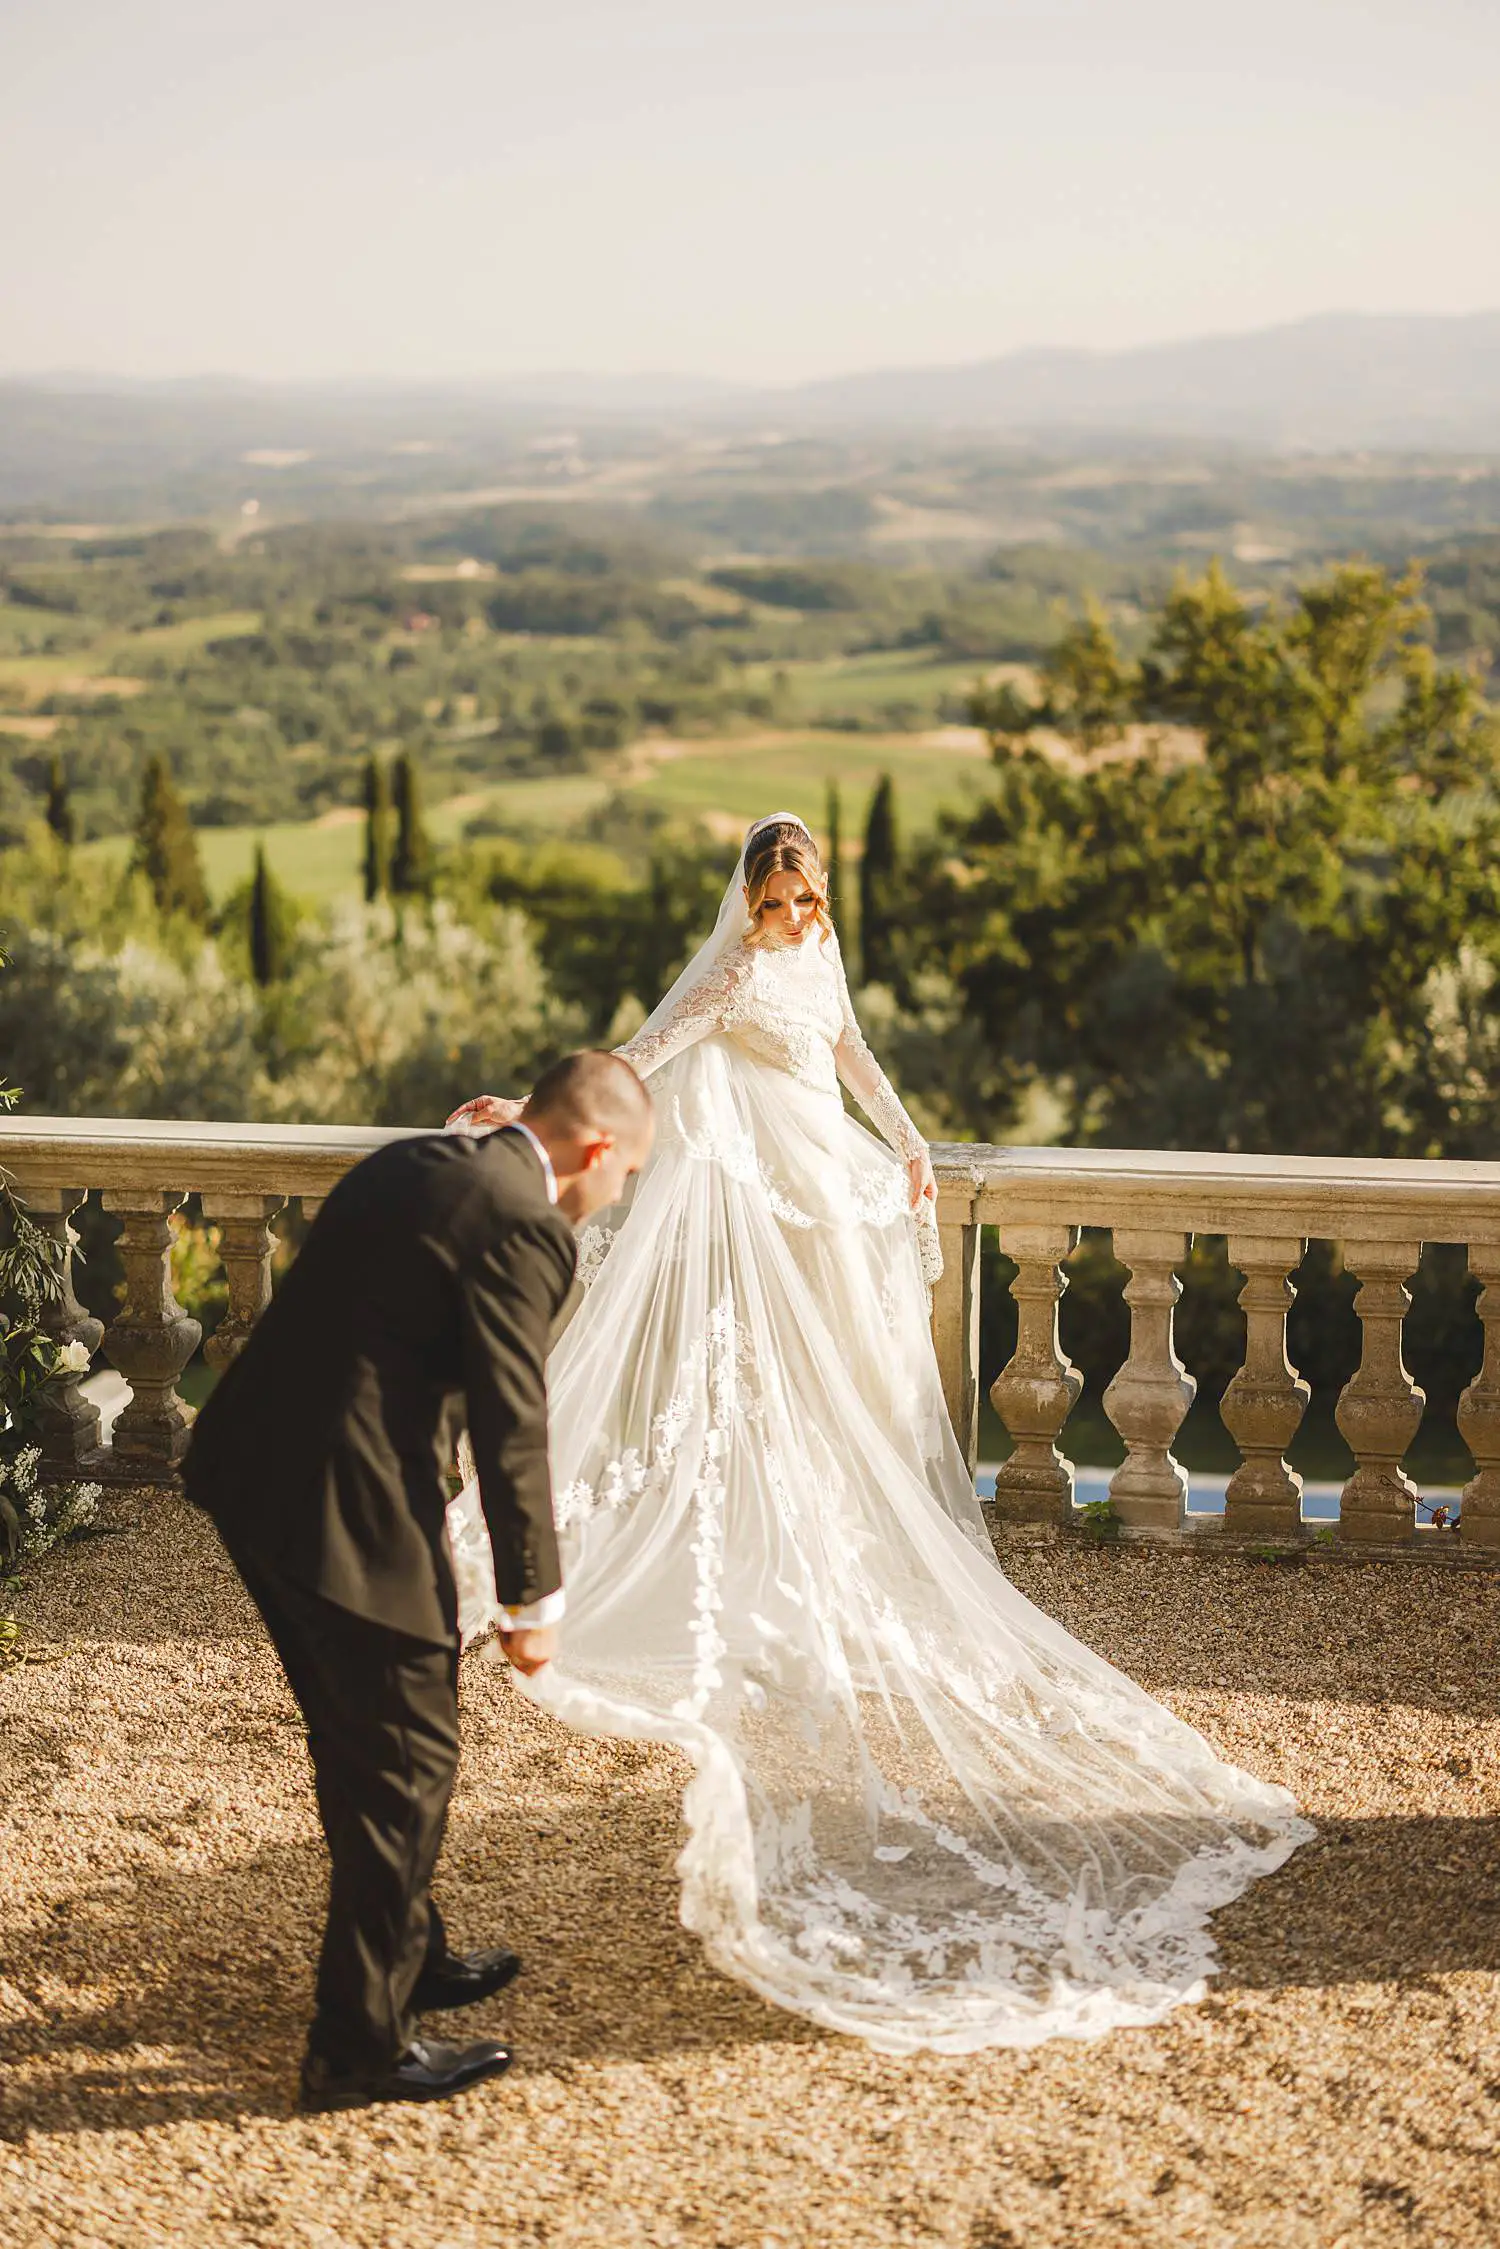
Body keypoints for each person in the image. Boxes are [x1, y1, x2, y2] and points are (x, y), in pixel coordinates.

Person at [446, 812, 1311, 2054]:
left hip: (829, 1184)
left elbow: (849, 1048)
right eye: (776, 905)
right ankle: (761, 1573)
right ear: (747, 900)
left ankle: (815, 1564)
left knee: (849, 1399)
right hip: (768, 1209)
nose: (792, 922)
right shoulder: (735, 963)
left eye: (805, 903)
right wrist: (532, 1108)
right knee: (772, 1401)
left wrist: (907, 1141)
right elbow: (646, 1052)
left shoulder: (822, 950)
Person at [184, 1050, 653, 2111]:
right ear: (597, 1148)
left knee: (378, 1725)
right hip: (335, 1493)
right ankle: (359, 2049)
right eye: (626, 1177)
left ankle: (412, 1953)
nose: (616, 1196)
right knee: (407, 1752)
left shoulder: (425, 1161)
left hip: (252, 1463)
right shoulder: (528, 1220)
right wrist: (535, 1600)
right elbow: (511, 1418)